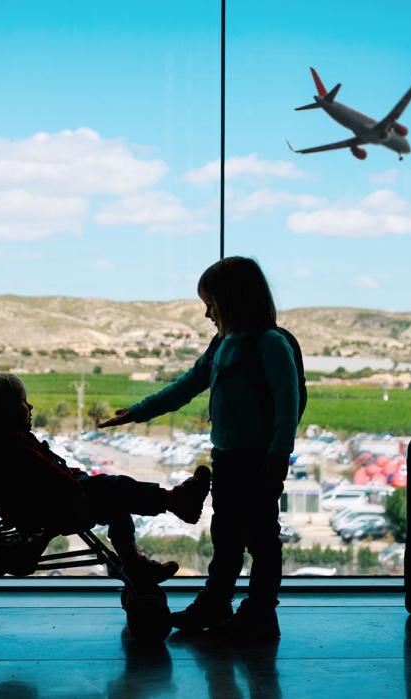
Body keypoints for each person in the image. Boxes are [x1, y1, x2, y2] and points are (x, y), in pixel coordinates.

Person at [100, 256, 300, 641]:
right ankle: (217, 603)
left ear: (232, 299)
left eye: (211, 302)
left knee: (260, 538)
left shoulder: (270, 344)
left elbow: (286, 407)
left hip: (259, 462)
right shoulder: (222, 345)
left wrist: (278, 456)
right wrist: (137, 412)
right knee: (226, 536)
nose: (207, 313)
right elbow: (187, 385)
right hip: (226, 458)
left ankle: (259, 613)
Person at [0, 373, 211, 584]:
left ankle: (134, 564)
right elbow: (49, 475)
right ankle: (174, 501)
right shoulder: (14, 446)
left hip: (54, 500)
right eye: (22, 402)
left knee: (118, 505)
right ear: (3, 411)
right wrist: (78, 487)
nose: (30, 407)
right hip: (62, 502)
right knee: (116, 487)